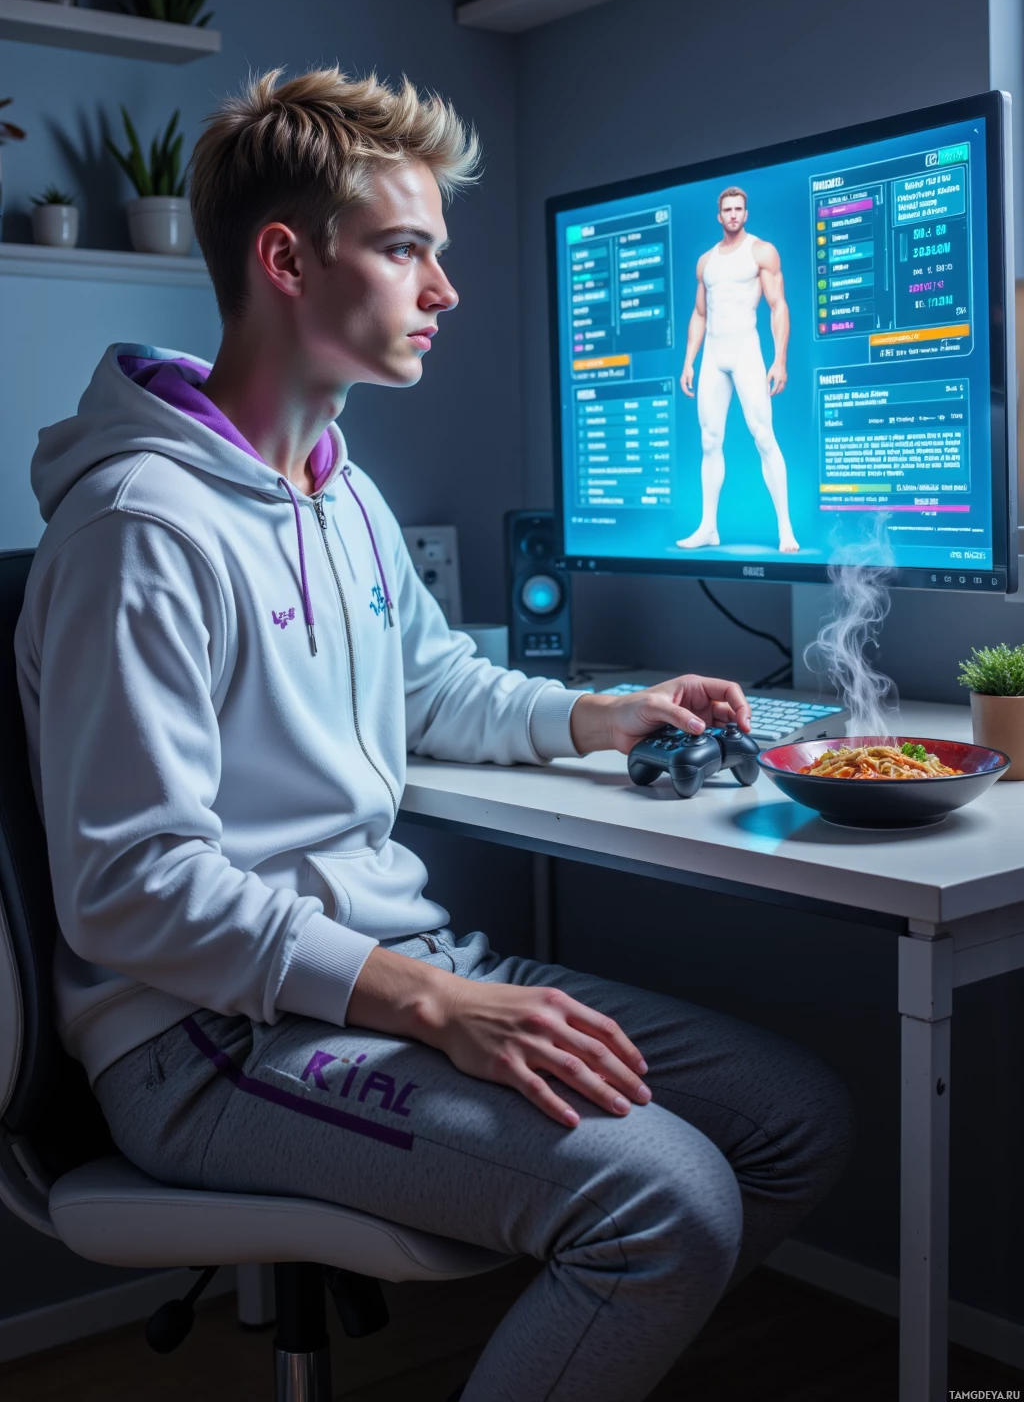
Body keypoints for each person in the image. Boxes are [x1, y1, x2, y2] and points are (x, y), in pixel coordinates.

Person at [16, 70, 853, 1402]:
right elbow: (133, 888)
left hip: (388, 971)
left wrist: (599, 712)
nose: (446, 290)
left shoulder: (342, 488)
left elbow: (434, 686)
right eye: (408, 249)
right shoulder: (141, 533)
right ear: (284, 259)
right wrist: (437, 1003)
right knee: (669, 1206)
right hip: (211, 1039)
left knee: (796, 1125)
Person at [676, 186, 800, 554]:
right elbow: (699, 313)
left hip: (746, 350)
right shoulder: (706, 261)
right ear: (720, 216)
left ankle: (786, 529)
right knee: (709, 440)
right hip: (713, 354)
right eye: (727, 209)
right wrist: (689, 361)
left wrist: (780, 359)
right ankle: (708, 528)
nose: (732, 214)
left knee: (763, 435)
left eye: (738, 209)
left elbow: (778, 306)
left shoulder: (761, 251)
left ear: (746, 214)